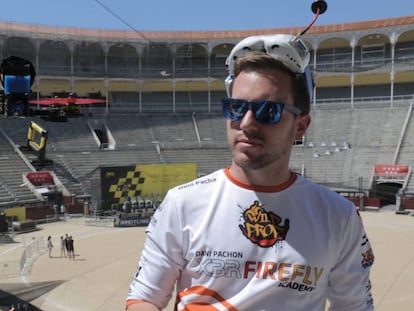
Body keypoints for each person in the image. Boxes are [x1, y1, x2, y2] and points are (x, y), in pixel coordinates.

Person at [126, 34, 375, 310]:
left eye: (269, 111)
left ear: (301, 126)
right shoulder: (181, 203)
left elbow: (354, 306)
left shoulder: (338, 216)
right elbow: (144, 299)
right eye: (236, 107)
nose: (246, 122)